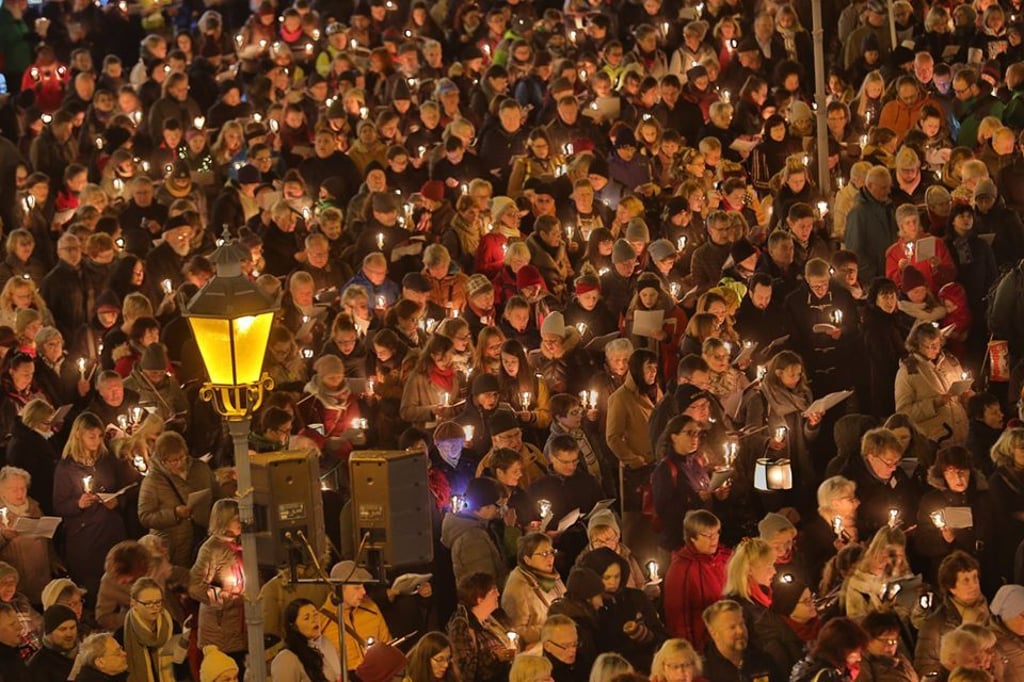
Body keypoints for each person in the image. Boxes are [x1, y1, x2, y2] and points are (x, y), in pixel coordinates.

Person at [53, 412, 127, 600]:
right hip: (86, 537)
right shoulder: (66, 468)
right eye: (91, 436)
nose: (96, 441)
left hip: (111, 531)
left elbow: (119, 487)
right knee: (93, 588)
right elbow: (59, 505)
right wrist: (78, 503)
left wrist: (117, 501)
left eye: (99, 436)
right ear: (78, 435)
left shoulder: (105, 459)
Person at [137, 431, 219, 568]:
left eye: (182, 457)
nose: (180, 463)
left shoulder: (200, 469)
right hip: (172, 545)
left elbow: (217, 496)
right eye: (173, 460)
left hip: (203, 536)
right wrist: (174, 514)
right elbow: (145, 516)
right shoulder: (153, 481)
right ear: (162, 460)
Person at [188, 499, 246, 672]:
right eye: (237, 518)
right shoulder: (211, 549)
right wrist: (225, 599)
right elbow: (195, 586)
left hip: (239, 627)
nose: (241, 522)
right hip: (220, 630)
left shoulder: (239, 545)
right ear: (225, 520)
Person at [663, 510, 731, 650]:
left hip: (729, 638)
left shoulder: (726, 558)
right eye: (707, 535)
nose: (714, 539)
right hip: (704, 645)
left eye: (717, 533)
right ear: (692, 538)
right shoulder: (681, 569)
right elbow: (678, 617)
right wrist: (689, 650)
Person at [440, 476, 511, 588]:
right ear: (485, 505)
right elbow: (483, 585)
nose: (500, 510)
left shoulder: (478, 528)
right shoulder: (472, 539)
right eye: (498, 505)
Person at [446, 572, 515, 682]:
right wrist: (495, 657)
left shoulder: (491, 619)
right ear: (480, 599)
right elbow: (465, 672)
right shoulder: (462, 628)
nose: (498, 594)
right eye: (493, 591)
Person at [501, 533, 566, 647]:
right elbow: (517, 630)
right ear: (527, 559)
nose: (550, 557)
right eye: (544, 553)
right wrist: (551, 630)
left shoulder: (552, 577)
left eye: (552, 552)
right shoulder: (519, 588)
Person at [701, 599, 780, 682]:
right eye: (732, 627)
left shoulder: (763, 661)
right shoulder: (704, 672)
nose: (740, 631)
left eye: (742, 624)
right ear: (714, 634)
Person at [270, 598, 342, 682]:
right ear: (294, 626)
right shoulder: (286, 658)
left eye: (315, 615)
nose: (314, 620)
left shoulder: (326, 644)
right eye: (306, 618)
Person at [121, 577, 176, 682]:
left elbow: (181, 667)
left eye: (158, 602)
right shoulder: (122, 635)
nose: (155, 607)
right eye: (148, 603)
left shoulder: (172, 626)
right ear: (134, 603)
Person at [789, 618, 870, 682]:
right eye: (856, 652)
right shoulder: (827, 676)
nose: (859, 658)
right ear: (841, 649)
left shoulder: (809, 664)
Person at [540, 615, 587, 682]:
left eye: (575, 644)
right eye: (566, 646)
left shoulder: (582, 661)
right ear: (547, 646)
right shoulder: (542, 676)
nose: (573, 650)